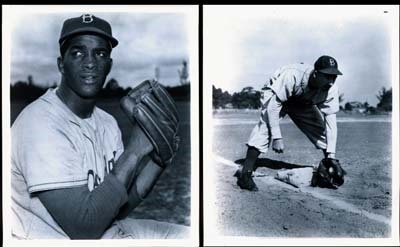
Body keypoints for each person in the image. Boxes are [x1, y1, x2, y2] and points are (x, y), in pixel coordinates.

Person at [11, 14, 188, 239]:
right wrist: (135, 151)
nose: (90, 62)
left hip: (105, 231)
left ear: (109, 65)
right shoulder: (39, 124)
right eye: (77, 53)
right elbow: (85, 229)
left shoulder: (107, 123)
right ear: (61, 65)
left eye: (100, 53)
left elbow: (116, 208)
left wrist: (157, 162)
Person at [235, 55, 343, 191]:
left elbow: (331, 122)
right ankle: (245, 173)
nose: (331, 81)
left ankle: (328, 167)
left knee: (322, 132)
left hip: (301, 100)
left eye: (334, 77)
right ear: (316, 74)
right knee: (266, 127)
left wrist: (331, 155)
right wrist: (277, 137)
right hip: (276, 95)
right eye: (327, 76)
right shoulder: (292, 76)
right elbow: (273, 107)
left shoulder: (330, 89)